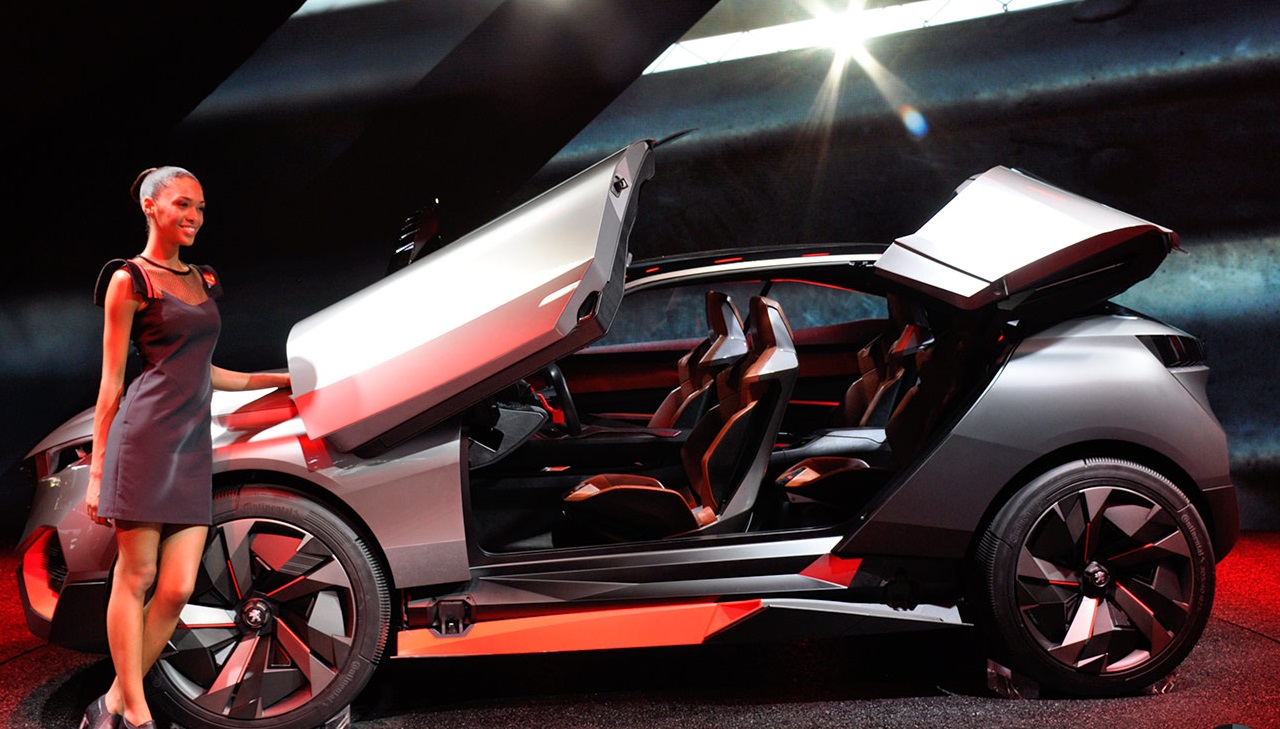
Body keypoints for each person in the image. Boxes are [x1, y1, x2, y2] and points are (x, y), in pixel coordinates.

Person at [80, 166, 291, 729]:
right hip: (144, 440)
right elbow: (111, 384)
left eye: (199, 207)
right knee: (136, 579)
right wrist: (99, 471)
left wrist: (275, 380)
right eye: (181, 204)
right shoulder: (129, 280)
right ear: (150, 208)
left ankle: (112, 701)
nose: (194, 216)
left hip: (191, 447)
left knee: (175, 589)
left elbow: (206, 369)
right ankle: (137, 712)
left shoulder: (203, 278)